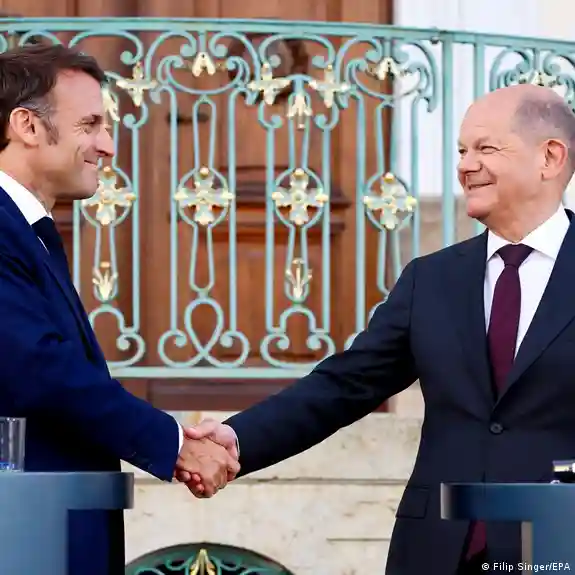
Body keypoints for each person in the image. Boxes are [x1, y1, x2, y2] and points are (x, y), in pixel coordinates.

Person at [182, 83, 575, 574]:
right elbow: (345, 385)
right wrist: (237, 438)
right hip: (437, 550)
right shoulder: (431, 279)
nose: (466, 166)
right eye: (461, 151)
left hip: (558, 546)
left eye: (486, 148)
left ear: (550, 157)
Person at [0, 43, 240, 575]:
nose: (107, 146)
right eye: (90, 124)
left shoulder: (26, 231)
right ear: (27, 126)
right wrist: (173, 443)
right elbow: (37, 369)